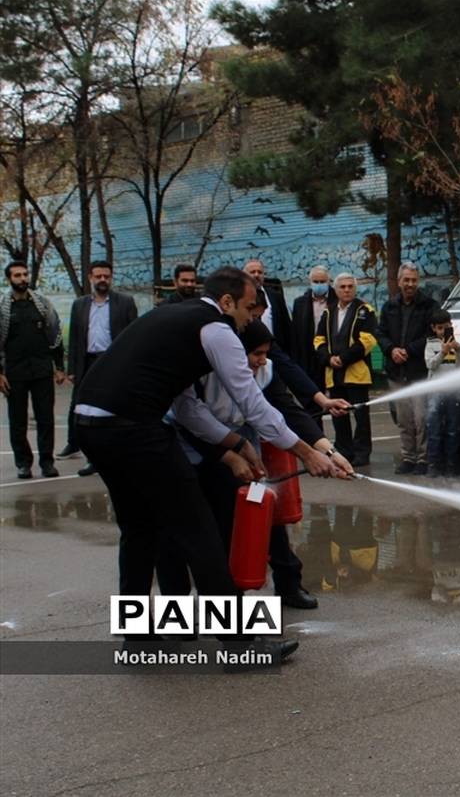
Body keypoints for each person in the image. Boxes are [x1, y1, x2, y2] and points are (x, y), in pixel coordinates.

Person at [73, 267, 340, 664]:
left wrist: (234, 443)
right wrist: (307, 452)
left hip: (89, 423)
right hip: (134, 428)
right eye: (250, 307)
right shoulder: (217, 330)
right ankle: (239, 643)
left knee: (139, 528)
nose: (253, 317)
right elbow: (253, 404)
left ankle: (137, 637)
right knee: (198, 529)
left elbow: (185, 404)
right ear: (228, 302)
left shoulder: (173, 316)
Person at [160, 319, 353, 609]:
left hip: (239, 441)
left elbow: (287, 410)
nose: (264, 361)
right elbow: (190, 424)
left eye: (266, 353)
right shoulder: (204, 373)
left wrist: (327, 450)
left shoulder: (266, 371)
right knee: (210, 530)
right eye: (257, 354)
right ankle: (202, 616)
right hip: (195, 447)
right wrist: (229, 456)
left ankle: (286, 585)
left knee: (262, 506)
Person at [60, 260, 138, 474]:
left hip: (113, 362)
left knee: (110, 410)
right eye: (98, 276)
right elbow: (75, 339)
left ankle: (107, 456)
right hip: (87, 362)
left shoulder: (125, 302)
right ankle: (75, 442)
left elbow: (134, 336)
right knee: (79, 407)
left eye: (106, 276)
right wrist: (72, 369)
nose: (103, 280)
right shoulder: (80, 304)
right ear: (90, 278)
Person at [0, 260, 66, 479]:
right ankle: (23, 463)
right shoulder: (2, 308)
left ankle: (47, 462)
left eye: (25, 274)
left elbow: (55, 335)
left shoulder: (42, 304)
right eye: (17, 275)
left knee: (45, 418)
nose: (23, 279)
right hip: (14, 373)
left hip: (41, 371)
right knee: (17, 421)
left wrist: (59, 367)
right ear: (9, 279)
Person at [377, 262, 437, 474]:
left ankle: (423, 459)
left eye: (413, 280)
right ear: (399, 281)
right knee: (404, 420)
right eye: (406, 280)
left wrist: (409, 351)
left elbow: (431, 335)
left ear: (417, 281)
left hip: (418, 371)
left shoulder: (429, 306)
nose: (410, 284)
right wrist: (391, 350)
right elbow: (381, 333)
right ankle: (408, 458)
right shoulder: (389, 307)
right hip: (396, 372)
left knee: (421, 419)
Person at [315, 272, 377, 466]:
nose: (347, 289)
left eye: (350, 286)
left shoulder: (365, 310)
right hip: (333, 373)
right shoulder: (328, 312)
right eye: (343, 287)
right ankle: (344, 451)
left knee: (360, 416)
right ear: (336, 290)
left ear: (355, 288)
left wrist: (343, 358)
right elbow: (319, 340)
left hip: (357, 373)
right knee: (338, 415)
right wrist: (328, 358)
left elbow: (367, 341)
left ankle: (362, 453)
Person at [424, 308, 460, 476]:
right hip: (435, 391)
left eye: (447, 326)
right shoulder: (430, 344)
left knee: (452, 430)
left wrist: (459, 350)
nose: (443, 330)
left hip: (452, 392)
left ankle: (451, 464)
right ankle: (433, 464)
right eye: (440, 327)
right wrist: (443, 351)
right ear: (434, 328)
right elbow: (430, 365)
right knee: (433, 430)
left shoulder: (456, 344)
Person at [291, 265, 331, 400]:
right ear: (310, 282)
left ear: (328, 281)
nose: (319, 285)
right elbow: (296, 333)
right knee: (312, 399)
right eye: (316, 282)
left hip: (330, 354)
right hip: (308, 357)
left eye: (322, 282)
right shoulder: (300, 303)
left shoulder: (336, 301)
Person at [244, 258, 293, 356]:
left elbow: (286, 326)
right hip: (250, 353)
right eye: (252, 272)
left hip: (276, 351)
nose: (256, 275)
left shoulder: (275, 296)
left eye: (260, 272)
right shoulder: (239, 297)